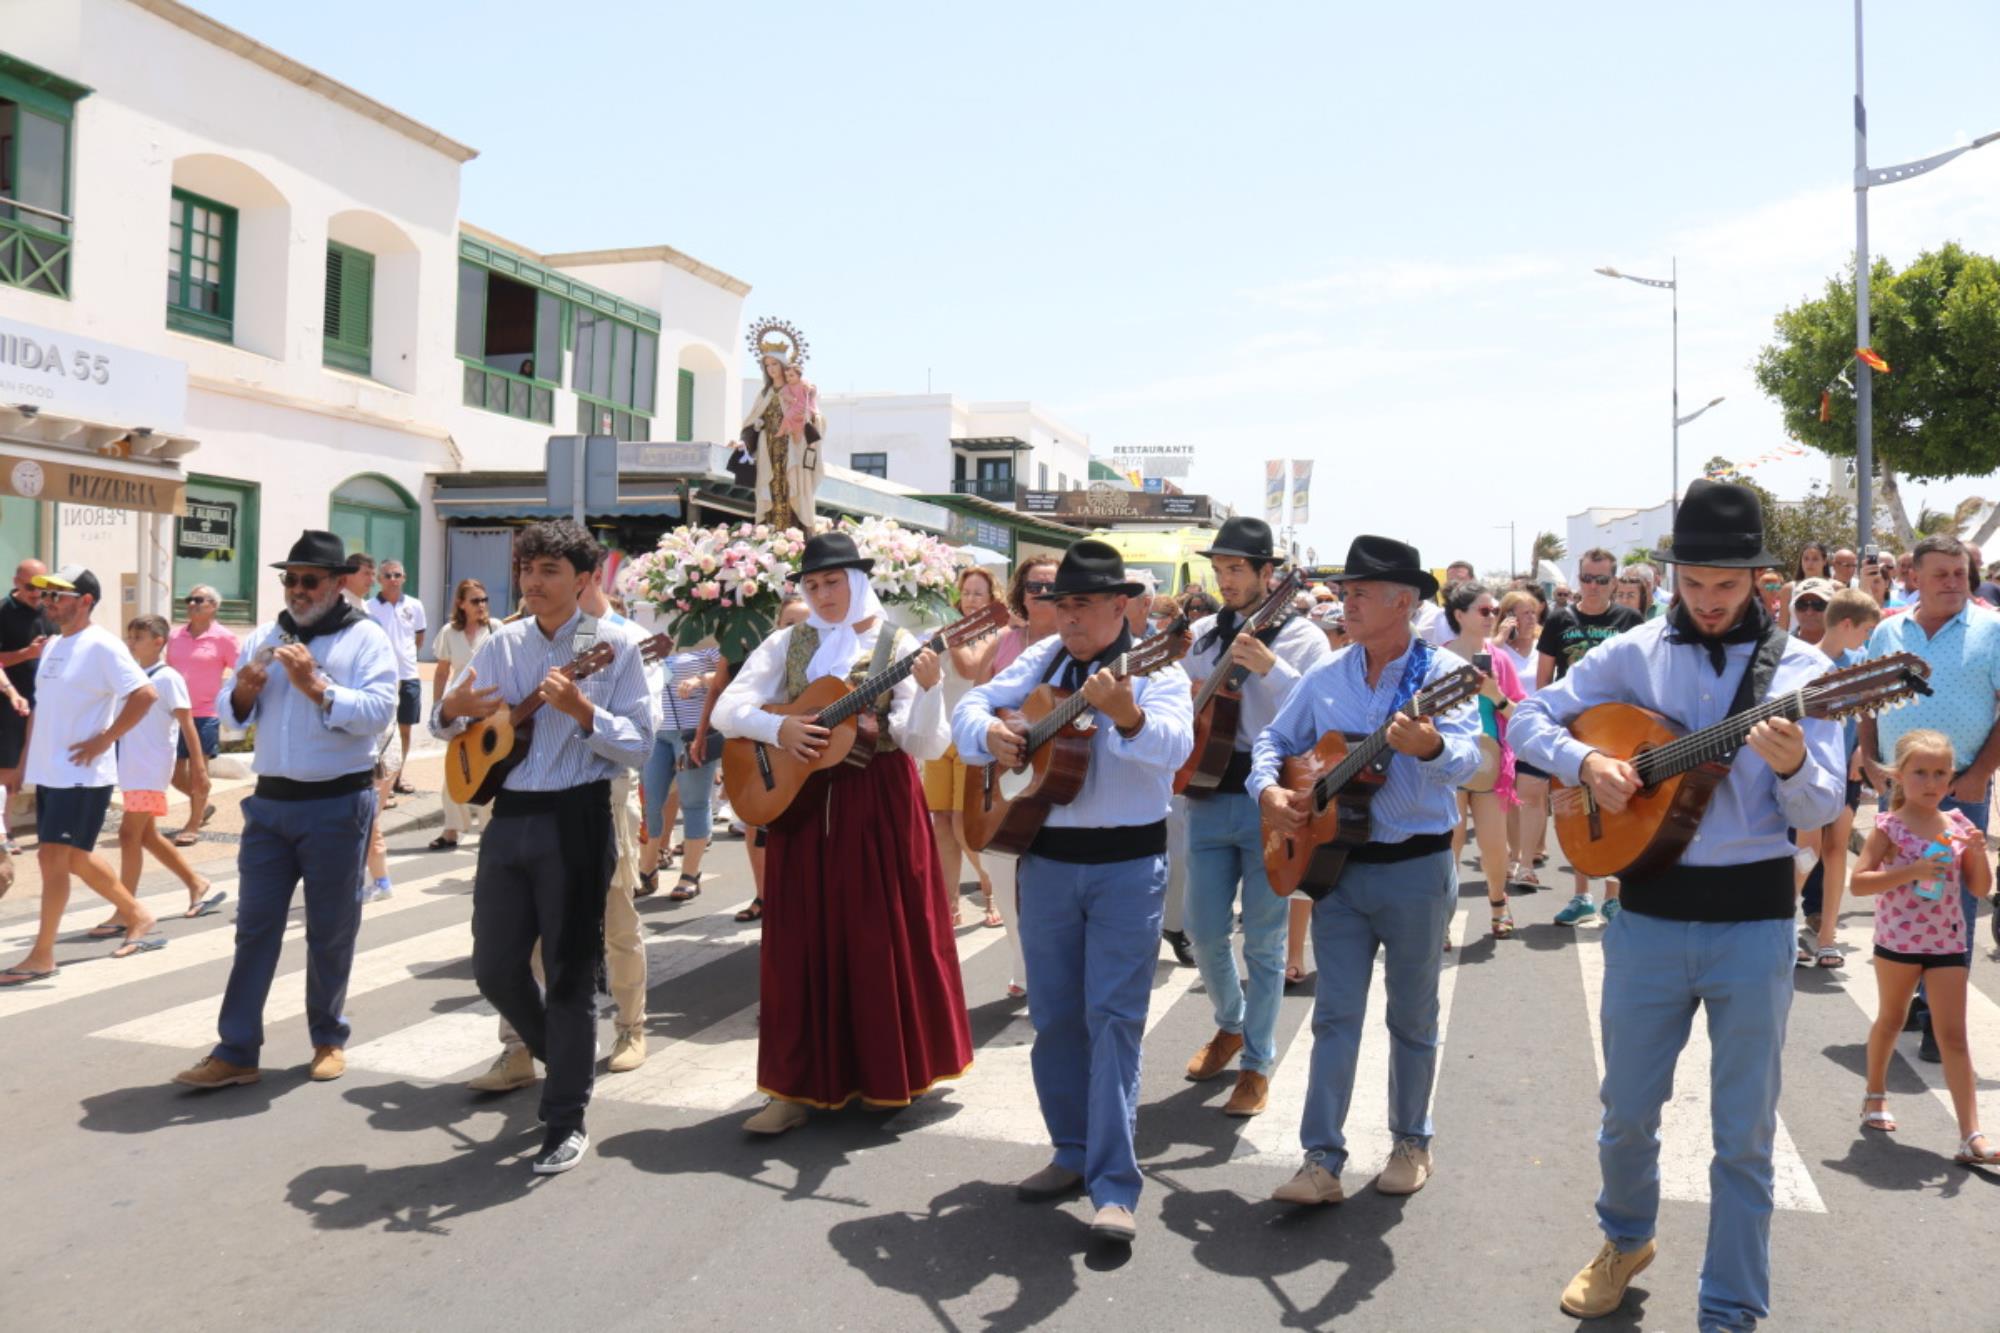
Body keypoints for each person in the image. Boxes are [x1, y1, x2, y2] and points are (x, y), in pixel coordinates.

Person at [1510, 481, 1844, 1331]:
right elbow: (1528, 718)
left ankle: (1729, 1307)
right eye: (1693, 583)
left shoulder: (1806, 672)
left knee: (1742, 1135)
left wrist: (1794, 762)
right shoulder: (1634, 650)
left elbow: (1821, 810)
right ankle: (1624, 1239)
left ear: (1760, 580)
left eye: (1725, 587)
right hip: (1649, 914)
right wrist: (1586, 766)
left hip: (1754, 922)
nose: (1706, 601)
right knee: (1626, 1113)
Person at [954, 539, 1193, 1244]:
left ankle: (1115, 1185)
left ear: (1122, 606)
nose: (1070, 616)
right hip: (1046, 859)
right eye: (1061, 604)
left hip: (1126, 863)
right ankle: (1071, 1151)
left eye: (1084, 603)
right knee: (1055, 1017)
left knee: (1114, 1020)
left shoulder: (1156, 665)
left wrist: (1128, 716)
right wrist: (993, 735)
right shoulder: (1046, 657)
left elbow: (1175, 749)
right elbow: (972, 704)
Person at [714, 531, 971, 1136]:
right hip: (802, 803)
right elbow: (730, 708)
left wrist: (932, 692)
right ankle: (793, 1087)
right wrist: (783, 732)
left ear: (858, 581)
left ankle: (890, 1073)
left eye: (834, 582)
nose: (824, 594)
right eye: (813, 584)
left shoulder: (898, 644)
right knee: (799, 939)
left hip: (877, 803)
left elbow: (922, 742)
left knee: (878, 936)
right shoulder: (787, 640)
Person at [1253, 535, 1479, 1208]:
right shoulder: (1326, 675)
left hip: (1415, 866)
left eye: (1357, 593)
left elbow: (1471, 760)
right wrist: (1269, 791)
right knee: (1334, 1015)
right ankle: (1321, 1158)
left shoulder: (1444, 674)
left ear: (1403, 602)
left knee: (1412, 1016)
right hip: (1338, 873)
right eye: (1344, 592)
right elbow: (1274, 741)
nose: (1343, 603)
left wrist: (1434, 744)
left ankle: (1412, 1140)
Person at [432, 520, 653, 1172]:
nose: (533, 581)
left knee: (567, 976)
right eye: (528, 568)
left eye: (550, 570)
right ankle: (567, 1059)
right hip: (510, 813)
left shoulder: (613, 645)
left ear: (584, 580)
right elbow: (446, 718)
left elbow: (640, 740)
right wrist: (455, 708)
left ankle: (565, 1119)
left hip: (579, 813)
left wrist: (587, 714)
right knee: (494, 967)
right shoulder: (503, 641)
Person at [171, 533, 397, 1083]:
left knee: (331, 928)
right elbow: (232, 715)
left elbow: (379, 712)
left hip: (337, 801)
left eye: (309, 580)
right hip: (271, 804)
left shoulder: (364, 638)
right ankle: (236, 1051)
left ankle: (327, 1037)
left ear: (338, 583)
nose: (297, 590)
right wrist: (245, 691)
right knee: (255, 928)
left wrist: (315, 686)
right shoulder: (266, 637)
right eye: (290, 580)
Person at [1177, 518, 1331, 1117]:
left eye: (1236, 569)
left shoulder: (1304, 640)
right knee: (1203, 930)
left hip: (1274, 801)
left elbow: (1320, 716)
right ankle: (1230, 1023)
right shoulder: (1204, 636)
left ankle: (1257, 1063)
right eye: (1218, 571)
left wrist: (1271, 668)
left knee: (1265, 946)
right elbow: (1182, 699)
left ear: (1271, 574)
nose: (1225, 581)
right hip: (1209, 792)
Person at [1858, 532, 2000, 1064]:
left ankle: (1943, 1021)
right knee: (1901, 893)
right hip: (1898, 789)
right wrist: (1869, 759)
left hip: (1961, 785)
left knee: (1956, 898)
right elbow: (1868, 699)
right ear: (1913, 577)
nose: (1952, 583)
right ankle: (1910, 999)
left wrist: (1979, 773)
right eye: (1940, 574)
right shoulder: (1889, 630)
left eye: (1959, 573)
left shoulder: (1992, 631)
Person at [0, 567, 162, 987]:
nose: (49, 601)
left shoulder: (103, 645)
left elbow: (145, 694)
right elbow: (40, 708)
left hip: (83, 774)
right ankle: (137, 913)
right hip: (50, 770)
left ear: (85, 600)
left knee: (55, 858)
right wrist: (22, 764)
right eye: (47, 595)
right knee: (67, 858)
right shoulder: (53, 644)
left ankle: (42, 954)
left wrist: (104, 739)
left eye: (59, 595)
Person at [1850, 728, 1999, 1165]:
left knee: (1953, 1034)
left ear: (1952, 776)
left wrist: (1978, 854)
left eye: (1940, 773)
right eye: (1920, 773)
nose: (1931, 783)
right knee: (1892, 1019)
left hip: (1947, 942)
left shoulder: (1959, 825)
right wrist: (1911, 870)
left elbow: (1979, 887)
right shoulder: (1888, 827)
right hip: (1898, 940)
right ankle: (1875, 1093)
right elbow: (1859, 884)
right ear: (1898, 776)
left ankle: (1970, 1133)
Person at [1539, 547, 1644, 925]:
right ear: (1578, 578)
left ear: (1614, 582)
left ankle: (1613, 897)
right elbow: (1543, 679)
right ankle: (1581, 895)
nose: (1594, 586)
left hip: (1619, 729)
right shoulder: (1559, 619)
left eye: (1602, 579)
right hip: (1573, 731)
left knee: (1618, 807)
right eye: (1587, 578)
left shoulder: (1630, 620)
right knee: (1575, 811)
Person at [985, 557, 1063, 993]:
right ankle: (1021, 964)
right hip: (1004, 770)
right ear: (1022, 593)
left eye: (1054, 587)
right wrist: (995, 727)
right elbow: (977, 697)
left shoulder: (1080, 643)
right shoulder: (1004, 642)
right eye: (1035, 587)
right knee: (1001, 865)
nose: (1044, 594)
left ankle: (1047, 970)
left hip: (1059, 772)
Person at [110, 615, 219, 921]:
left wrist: (199, 768)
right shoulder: (131, 676)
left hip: (151, 767)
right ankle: (196, 883)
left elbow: (188, 724)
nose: (130, 643)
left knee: (128, 835)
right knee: (146, 836)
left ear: (158, 642)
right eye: (129, 637)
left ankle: (125, 909)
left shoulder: (167, 677)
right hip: (132, 766)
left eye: (138, 638)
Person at [1797, 587, 1881, 969]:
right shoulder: (1803, 663)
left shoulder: (1859, 661)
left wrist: (1862, 752)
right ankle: (1784, 928)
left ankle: (1827, 936)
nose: (1866, 639)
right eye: (1864, 630)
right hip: (1807, 776)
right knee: (1807, 850)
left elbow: (1869, 711)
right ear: (1846, 624)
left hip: (1845, 770)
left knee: (1835, 850)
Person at [1441, 581, 1526, 938]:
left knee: (1494, 845)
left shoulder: (1500, 659)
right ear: (1459, 615)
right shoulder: (1437, 658)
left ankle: (1498, 901)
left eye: (1494, 611)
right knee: (1450, 846)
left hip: (1491, 764)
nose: (1492, 617)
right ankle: (1441, 919)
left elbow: (1521, 712)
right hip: (1446, 762)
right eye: (1484, 610)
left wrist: (1496, 694)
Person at [926, 566, 1004, 925]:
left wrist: (951, 636)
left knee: (962, 822)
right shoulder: (945, 627)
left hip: (971, 735)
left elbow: (971, 669)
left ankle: (992, 892)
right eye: (967, 592)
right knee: (940, 821)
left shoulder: (995, 630)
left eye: (979, 593)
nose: (971, 600)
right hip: (940, 731)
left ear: (991, 599)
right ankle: (949, 904)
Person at [638, 640, 722, 902]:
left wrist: (700, 679)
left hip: (692, 733)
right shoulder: (657, 637)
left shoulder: (713, 640)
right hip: (659, 732)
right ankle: (647, 868)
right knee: (650, 801)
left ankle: (690, 874)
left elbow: (729, 675)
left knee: (693, 802)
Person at [164, 584, 236, 847]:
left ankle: (193, 824)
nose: (192, 604)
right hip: (175, 714)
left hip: (205, 713)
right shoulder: (174, 637)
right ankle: (202, 805)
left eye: (199, 600)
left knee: (198, 772)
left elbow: (240, 672)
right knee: (173, 775)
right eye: (189, 599)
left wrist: (228, 702)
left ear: (214, 606)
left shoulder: (224, 638)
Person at [427, 579, 492, 850]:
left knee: (488, 769)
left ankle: (488, 831)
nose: (481, 605)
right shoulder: (449, 632)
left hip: (487, 707)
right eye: (475, 600)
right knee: (455, 767)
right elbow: (442, 672)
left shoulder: (495, 628)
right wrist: (438, 708)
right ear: (461, 603)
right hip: (458, 709)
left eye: (484, 599)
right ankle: (451, 829)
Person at [0, 558, 53, 855]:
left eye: (43, 586)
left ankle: (49, 829)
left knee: (38, 765)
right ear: (16, 582)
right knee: (7, 770)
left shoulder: (52, 610)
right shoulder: (3, 611)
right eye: (32, 586)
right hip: (10, 701)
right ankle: (5, 831)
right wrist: (28, 653)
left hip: (47, 702)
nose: (38, 593)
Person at [741, 351, 823, 531]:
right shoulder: (765, 394)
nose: (771, 369)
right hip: (768, 448)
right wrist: (752, 431)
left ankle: (794, 533)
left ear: (784, 366)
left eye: (774, 364)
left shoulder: (798, 389)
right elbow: (752, 419)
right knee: (770, 488)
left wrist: (809, 416)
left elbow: (815, 416)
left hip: (793, 447)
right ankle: (770, 531)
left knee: (793, 487)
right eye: (767, 365)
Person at [366, 559, 426, 795]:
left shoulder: (415, 606)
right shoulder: (369, 607)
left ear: (404, 578)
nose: (392, 579)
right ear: (379, 580)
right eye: (387, 575)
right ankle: (382, 780)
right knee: (380, 731)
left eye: (397, 575)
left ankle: (398, 776)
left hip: (409, 675)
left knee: (405, 729)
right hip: (381, 677)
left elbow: (419, 638)